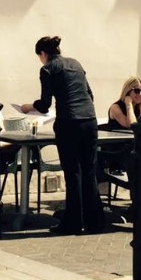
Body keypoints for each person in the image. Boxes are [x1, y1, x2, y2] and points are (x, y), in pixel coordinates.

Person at [21, 35, 104, 235]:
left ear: (43, 54)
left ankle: (73, 222)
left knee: (73, 172)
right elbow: (90, 94)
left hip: (69, 123)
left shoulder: (48, 69)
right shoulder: (75, 64)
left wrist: (28, 107)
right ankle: (94, 222)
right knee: (89, 171)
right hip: (89, 120)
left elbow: (45, 104)